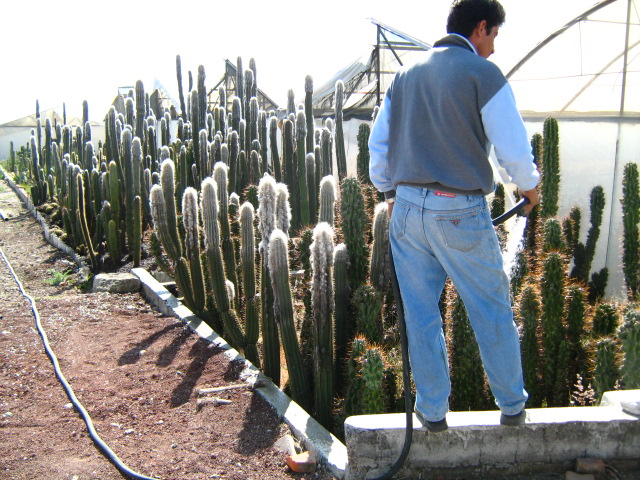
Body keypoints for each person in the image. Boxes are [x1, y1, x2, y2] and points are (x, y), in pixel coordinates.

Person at [368, 0, 540, 433]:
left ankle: (431, 412)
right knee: (491, 308)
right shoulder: (483, 74)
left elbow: (379, 145)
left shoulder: (405, 76)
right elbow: (511, 145)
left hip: (406, 211)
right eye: (495, 35)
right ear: (481, 27)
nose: (494, 48)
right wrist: (528, 185)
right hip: (459, 210)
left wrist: (390, 191)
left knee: (420, 315)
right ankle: (511, 406)